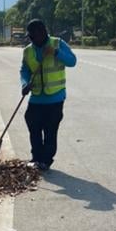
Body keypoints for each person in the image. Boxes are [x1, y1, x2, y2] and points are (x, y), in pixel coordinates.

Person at [20, 18, 77, 171]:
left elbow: (72, 61)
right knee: (33, 126)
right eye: (31, 36)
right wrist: (25, 84)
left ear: (43, 33)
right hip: (36, 98)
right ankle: (36, 157)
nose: (33, 39)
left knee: (50, 130)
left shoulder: (57, 43)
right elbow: (24, 70)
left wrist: (56, 53)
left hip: (55, 98)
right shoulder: (28, 50)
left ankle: (46, 160)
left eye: (35, 36)